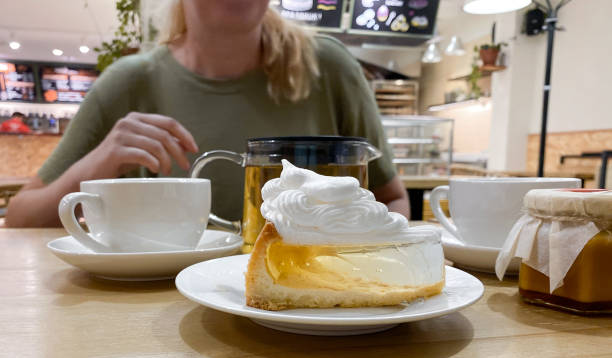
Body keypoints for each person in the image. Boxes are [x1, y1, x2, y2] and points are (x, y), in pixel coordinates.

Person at [6, 1, 410, 228]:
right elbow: (22, 214)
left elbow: (393, 199)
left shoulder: (328, 66)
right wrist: (102, 157)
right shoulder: (129, 83)